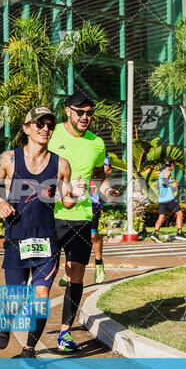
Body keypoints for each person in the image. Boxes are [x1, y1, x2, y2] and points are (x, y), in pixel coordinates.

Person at [0, 107, 85, 359]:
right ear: (27, 128)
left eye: (49, 124)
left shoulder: (61, 164)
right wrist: (0, 202)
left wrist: (77, 196)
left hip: (47, 240)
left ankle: (29, 349)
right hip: (16, 239)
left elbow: (66, 201)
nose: (45, 129)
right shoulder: (9, 159)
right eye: (39, 124)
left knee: (41, 295)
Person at [48, 92, 119, 351]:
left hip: (81, 216)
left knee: (75, 274)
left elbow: (99, 171)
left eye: (89, 112)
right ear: (68, 111)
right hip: (50, 215)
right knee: (44, 273)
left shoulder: (97, 144)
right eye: (80, 112)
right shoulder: (51, 133)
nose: (85, 117)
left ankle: (65, 333)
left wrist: (105, 188)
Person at [59, 152, 111, 286]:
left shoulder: (96, 150)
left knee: (93, 235)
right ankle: (69, 269)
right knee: (70, 237)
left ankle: (99, 265)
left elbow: (105, 170)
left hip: (91, 201)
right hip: (70, 199)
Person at [151, 157, 186, 243]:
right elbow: (165, 182)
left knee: (161, 216)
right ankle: (179, 232)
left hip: (162, 198)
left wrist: (173, 183)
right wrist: (174, 183)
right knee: (179, 213)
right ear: (171, 165)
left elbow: (164, 182)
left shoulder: (162, 172)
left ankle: (155, 233)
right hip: (169, 198)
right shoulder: (167, 172)